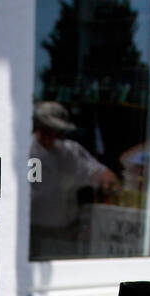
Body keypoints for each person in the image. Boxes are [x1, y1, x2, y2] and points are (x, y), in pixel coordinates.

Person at [29, 101, 119, 257]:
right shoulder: (27, 150)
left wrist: (108, 182)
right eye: (49, 130)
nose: (55, 137)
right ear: (38, 127)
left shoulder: (70, 151)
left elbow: (99, 172)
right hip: (33, 231)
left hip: (65, 231)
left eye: (59, 132)